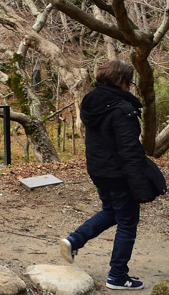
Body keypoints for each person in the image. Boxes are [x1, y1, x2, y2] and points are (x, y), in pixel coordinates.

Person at [60, 60, 154, 290]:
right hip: (119, 173)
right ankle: (118, 276)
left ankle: (74, 241)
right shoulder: (122, 109)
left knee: (112, 212)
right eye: (130, 82)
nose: (130, 87)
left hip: (98, 170)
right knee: (127, 222)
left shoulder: (92, 102)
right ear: (122, 82)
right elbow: (130, 151)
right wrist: (140, 187)